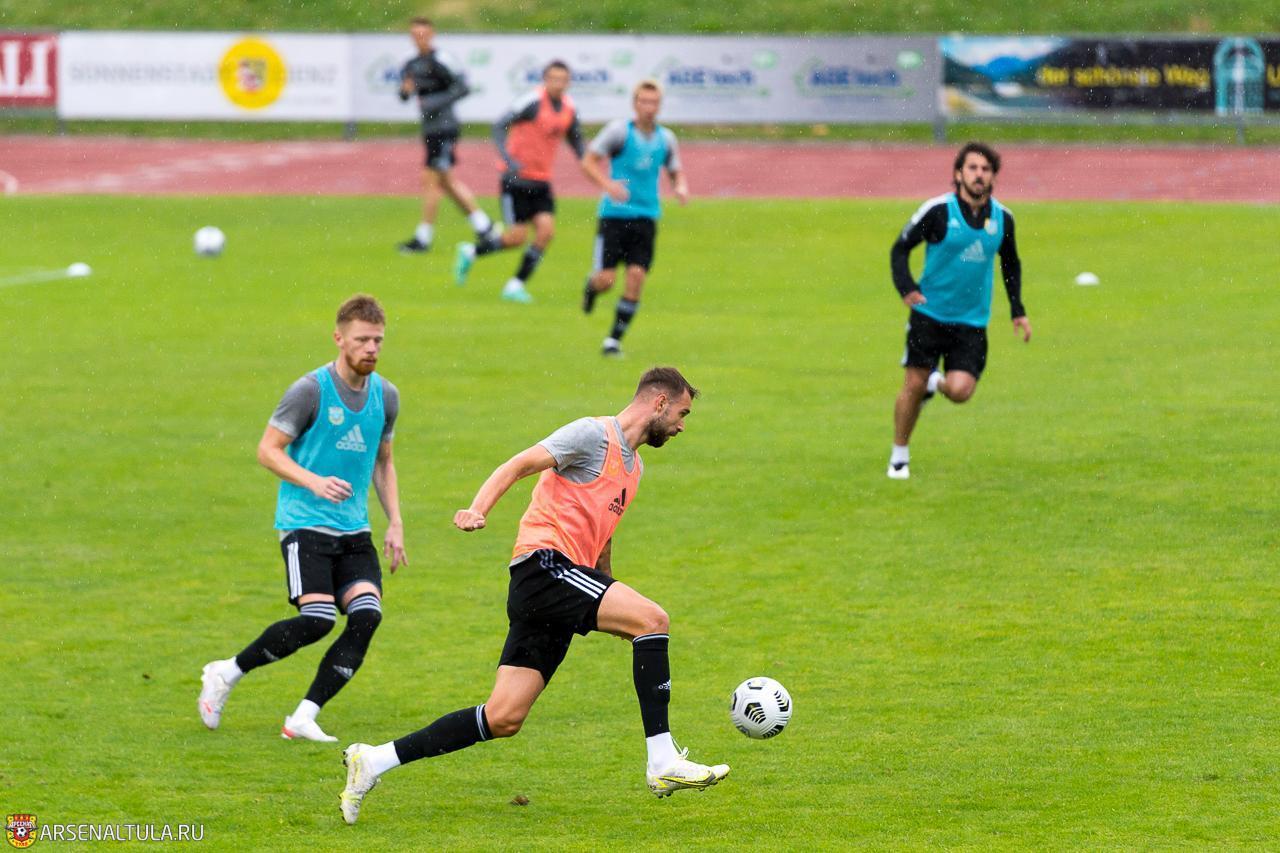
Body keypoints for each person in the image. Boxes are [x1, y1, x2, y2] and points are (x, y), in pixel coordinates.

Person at [338, 367, 728, 824]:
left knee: (503, 717)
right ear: (659, 402)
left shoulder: (634, 467)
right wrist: (477, 509)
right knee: (655, 619)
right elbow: (518, 464)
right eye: (682, 413)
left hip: (558, 587)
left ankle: (373, 759)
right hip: (543, 568)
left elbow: (601, 537)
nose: (681, 426)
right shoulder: (592, 435)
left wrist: (614, 601)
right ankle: (662, 760)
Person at [198, 295, 407, 742]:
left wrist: (395, 522)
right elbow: (267, 450)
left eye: (378, 340)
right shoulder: (310, 391)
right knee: (318, 619)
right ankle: (226, 672)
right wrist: (313, 481)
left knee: (367, 616)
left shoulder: (386, 396)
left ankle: (303, 717)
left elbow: (383, 460)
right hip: (304, 524)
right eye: (362, 340)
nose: (371, 348)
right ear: (339, 339)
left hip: (355, 529)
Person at [887, 142, 1032, 480]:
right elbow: (900, 248)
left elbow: (1010, 263)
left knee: (960, 391)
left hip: (971, 321)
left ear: (993, 176)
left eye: (985, 169)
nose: (979, 175)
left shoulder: (1003, 218)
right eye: (972, 168)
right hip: (929, 314)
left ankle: (934, 382)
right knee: (912, 383)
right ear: (958, 173)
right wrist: (907, 288)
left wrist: (1018, 310)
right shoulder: (938, 211)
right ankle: (899, 455)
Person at [453, 60, 585, 304]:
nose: (558, 84)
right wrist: (508, 159)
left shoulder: (569, 108)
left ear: (568, 82)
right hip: (516, 180)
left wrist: (588, 161)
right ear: (545, 79)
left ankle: (515, 286)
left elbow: (576, 140)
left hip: (542, 180)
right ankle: (471, 252)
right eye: (553, 78)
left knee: (546, 232)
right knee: (517, 237)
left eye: (563, 80)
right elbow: (499, 125)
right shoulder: (531, 101)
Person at [579, 79, 689, 357]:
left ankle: (613, 341)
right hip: (614, 216)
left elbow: (675, 169)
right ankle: (591, 288)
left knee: (637, 275)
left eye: (654, 102)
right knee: (606, 280)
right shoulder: (619, 132)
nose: (649, 107)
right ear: (634, 104)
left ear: (660, 106)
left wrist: (680, 185)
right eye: (644, 101)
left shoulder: (666, 138)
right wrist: (608, 185)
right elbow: (588, 161)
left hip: (646, 217)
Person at [396, 17, 496, 254]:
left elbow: (463, 88)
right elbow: (405, 95)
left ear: (432, 34)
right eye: (415, 34)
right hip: (429, 129)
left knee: (430, 180)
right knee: (446, 182)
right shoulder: (410, 64)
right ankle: (484, 227)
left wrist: (435, 102)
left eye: (423, 34)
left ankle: (423, 238)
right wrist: (405, 91)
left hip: (445, 126)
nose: (419, 38)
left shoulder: (443, 59)